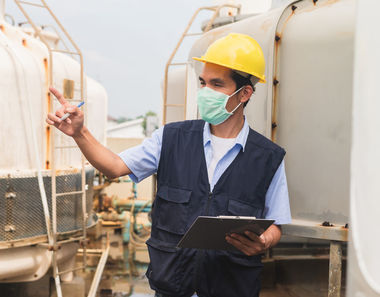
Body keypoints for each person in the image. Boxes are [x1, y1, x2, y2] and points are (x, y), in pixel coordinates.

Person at [46, 33, 291, 297]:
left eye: (217, 84)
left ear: (244, 94)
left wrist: (264, 241)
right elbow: (115, 166)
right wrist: (80, 133)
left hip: (232, 288)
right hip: (173, 288)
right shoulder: (171, 138)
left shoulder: (268, 158)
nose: (205, 92)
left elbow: (277, 223)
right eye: (203, 83)